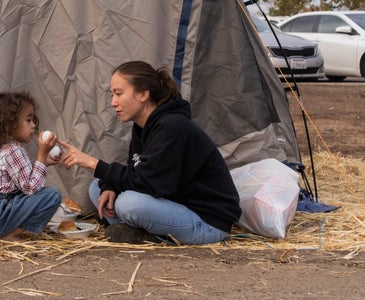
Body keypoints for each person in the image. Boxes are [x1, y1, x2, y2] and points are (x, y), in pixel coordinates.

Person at [58, 61, 242, 245]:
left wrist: (93, 163)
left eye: (119, 94)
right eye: (112, 94)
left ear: (144, 94)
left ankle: (148, 235)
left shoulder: (173, 127)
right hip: (174, 204)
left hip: (206, 222)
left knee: (127, 204)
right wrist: (110, 187)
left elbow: (151, 183)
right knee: (98, 188)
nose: (113, 103)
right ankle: (141, 234)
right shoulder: (143, 126)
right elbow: (137, 172)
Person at [0, 91, 62, 243]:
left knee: (17, 194)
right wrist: (41, 156)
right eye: (29, 120)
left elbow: (20, 179)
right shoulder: (13, 150)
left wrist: (44, 162)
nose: (34, 126)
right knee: (52, 195)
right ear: (10, 123)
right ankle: (9, 234)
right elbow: (30, 188)